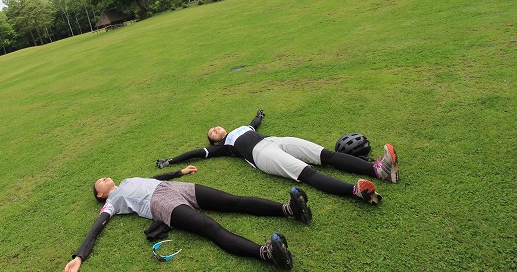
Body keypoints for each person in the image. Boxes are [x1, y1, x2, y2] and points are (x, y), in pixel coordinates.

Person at [61, 165, 312, 272]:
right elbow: (96, 228)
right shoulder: (110, 204)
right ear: (100, 194)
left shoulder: (125, 181)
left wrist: (179, 172)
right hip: (160, 205)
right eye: (99, 182)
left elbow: (153, 178)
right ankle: (267, 254)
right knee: (211, 228)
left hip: (173, 187)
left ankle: (289, 210)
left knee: (232, 201)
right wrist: (79, 256)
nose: (104, 177)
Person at [155, 110, 399, 205]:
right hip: (263, 155)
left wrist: (258, 115)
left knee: (326, 155)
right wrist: (171, 160)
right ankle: (356, 192)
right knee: (309, 173)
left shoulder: (244, 129)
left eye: (215, 127)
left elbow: (253, 123)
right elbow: (198, 153)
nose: (215, 129)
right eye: (212, 133)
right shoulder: (226, 146)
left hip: (276, 140)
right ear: (215, 141)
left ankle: (379, 171)